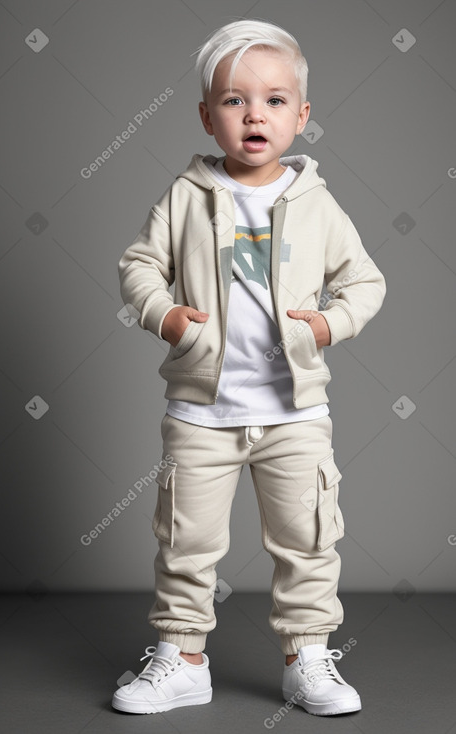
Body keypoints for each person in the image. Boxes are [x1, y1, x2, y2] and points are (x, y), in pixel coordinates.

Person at [112, 18, 386, 717]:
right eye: (233, 101)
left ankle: (308, 660)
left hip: (294, 413)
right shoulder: (185, 196)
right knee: (184, 539)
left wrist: (330, 322)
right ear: (208, 118)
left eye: (271, 99)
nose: (252, 114)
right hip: (201, 411)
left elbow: (365, 282)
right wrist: (163, 314)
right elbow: (140, 265)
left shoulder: (316, 202)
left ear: (300, 115)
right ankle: (182, 660)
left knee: (307, 541)